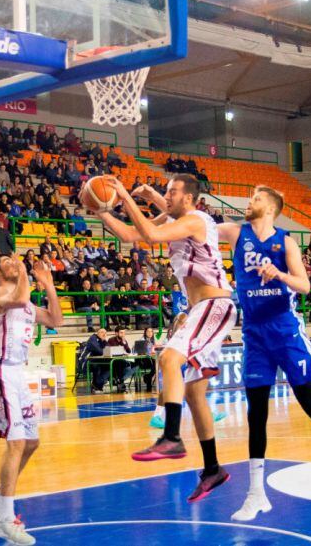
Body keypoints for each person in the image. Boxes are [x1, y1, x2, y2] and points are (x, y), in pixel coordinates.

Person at [207, 186, 311, 520]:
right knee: (256, 414)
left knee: (310, 403)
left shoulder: (286, 242)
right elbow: (197, 224)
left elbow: (305, 285)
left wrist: (278, 273)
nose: (250, 202)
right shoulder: (236, 233)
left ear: (272, 208)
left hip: (286, 331)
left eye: (256, 199)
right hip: (254, 334)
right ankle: (256, 494)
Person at [98, 174, 235, 502]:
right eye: (166, 191)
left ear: (188, 198)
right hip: (203, 307)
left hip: (214, 304)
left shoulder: (197, 219)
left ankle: (171, 436)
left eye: (172, 192)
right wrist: (100, 208)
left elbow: (152, 233)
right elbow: (133, 233)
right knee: (193, 394)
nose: (166, 196)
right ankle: (213, 468)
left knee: (168, 357)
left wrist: (125, 196)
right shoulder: (179, 217)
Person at [0, 254, 62, 544]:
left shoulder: (25, 302)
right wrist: (25, 271)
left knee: (31, 442)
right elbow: (20, 295)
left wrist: (49, 285)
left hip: (17, 373)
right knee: (15, 442)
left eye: (14, 260)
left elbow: (56, 319)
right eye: (6, 261)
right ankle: (5, 520)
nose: (13, 262)